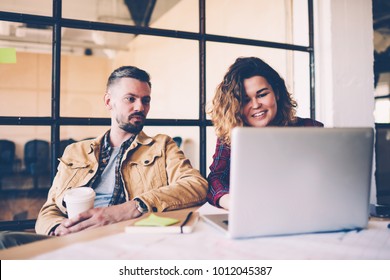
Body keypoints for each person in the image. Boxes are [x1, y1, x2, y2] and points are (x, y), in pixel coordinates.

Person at [0, 65, 208, 249]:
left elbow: (196, 185)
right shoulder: (75, 151)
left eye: (146, 100)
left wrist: (128, 209)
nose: (140, 107)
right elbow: (50, 208)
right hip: (71, 240)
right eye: (130, 99)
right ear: (109, 101)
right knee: (4, 241)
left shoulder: (162, 145)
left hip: (127, 239)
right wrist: (57, 229)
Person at [207, 56, 323, 210]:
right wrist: (231, 203)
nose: (255, 105)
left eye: (262, 95)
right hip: (253, 213)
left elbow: (331, 178)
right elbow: (216, 178)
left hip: (306, 211)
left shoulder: (310, 129)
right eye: (245, 100)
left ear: (277, 93)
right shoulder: (230, 137)